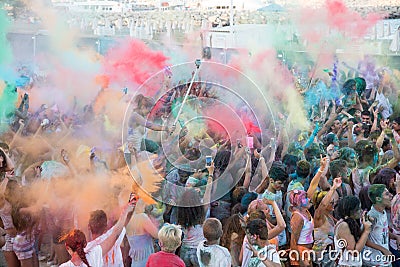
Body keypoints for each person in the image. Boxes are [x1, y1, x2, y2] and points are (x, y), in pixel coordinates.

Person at [59, 200, 136, 267]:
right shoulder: (95, 252)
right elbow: (124, 222)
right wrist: (133, 200)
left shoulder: (89, 250)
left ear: (89, 226)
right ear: (106, 226)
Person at [334, 196, 372, 266]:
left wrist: (365, 223)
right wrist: (366, 230)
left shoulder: (352, 221)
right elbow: (354, 252)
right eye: (358, 209)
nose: (361, 211)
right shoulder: (343, 226)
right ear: (350, 211)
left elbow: (360, 239)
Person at [363, 184, 394, 267]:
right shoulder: (372, 216)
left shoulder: (383, 212)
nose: (391, 195)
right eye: (387, 194)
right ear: (378, 199)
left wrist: (395, 237)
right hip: (374, 261)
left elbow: (383, 231)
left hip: (384, 260)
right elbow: (364, 240)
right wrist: (384, 250)